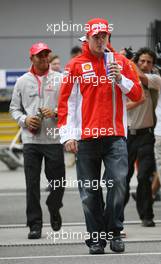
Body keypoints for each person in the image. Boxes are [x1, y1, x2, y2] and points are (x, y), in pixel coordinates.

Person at [58, 18, 142, 254]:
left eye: (103, 36)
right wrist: (67, 136)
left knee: (118, 185)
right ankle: (96, 238)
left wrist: (120, 78)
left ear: (108, 38)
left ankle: (113, 231)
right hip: (85, 139)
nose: (100, 40)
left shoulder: (122, 63)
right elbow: (66, 103)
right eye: (96, 36)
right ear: (88, 37)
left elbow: (136, 94)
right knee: (89, 193)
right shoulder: (75, 65)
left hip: (115, 137)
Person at [10, 42, 65, 239]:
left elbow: (70, 106)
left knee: (58, 182)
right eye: (39, 56)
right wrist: (25, 119)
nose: (43, 59)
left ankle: (54, 205)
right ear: (31, 58)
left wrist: (56, 112)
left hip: (54, 139)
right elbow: (14, 109)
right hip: (31, 140)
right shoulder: (22, 81)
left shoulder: (60, 79)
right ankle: (35, 224)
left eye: (46, 55)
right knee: (31, 184)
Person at [125, 47, 161, 227]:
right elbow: (121, 108)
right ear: (137, 62)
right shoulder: (125, 82)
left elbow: (142, 77)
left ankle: (146, 215)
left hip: (147, 135)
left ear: (153, 65)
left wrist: (130, 62)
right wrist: (137, 101)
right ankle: (116, 216)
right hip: (127, 136)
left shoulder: (154, 80)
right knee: (124, 176)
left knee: (143, 176)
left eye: (149, 62)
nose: (145, 65)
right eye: (142, 61)